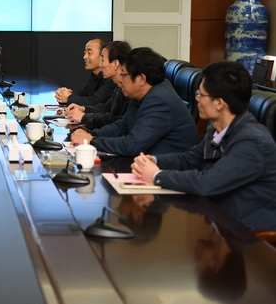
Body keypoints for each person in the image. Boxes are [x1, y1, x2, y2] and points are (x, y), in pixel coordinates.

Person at [131, 60, 276, 231]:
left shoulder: (251, 141)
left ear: (219, 103)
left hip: (250, 235)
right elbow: (191, 158)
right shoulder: (219, 128)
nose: (196, 98)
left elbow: (208, 182)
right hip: (220, 218)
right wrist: (153, 161)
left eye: (201, 94)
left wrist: (157, 176)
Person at [70, 47, 199, 156]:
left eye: (123, 75)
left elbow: (133, 145)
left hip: (168, 168)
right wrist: (91, 134)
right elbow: (122, 126)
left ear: (141, 79)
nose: (120, 80)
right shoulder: (141, 92)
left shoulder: (160, 101)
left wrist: (91, 141)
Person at [65, 41, 131, 129]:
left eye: (103, 60)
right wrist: (83, 108)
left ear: (115, 64)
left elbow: (118, 120)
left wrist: (84, 117)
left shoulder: (128, 88)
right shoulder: (118, 86)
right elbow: (105, 108)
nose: (100, 64)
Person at [55, 38, 116, 106]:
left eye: (89, 53)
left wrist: (68, 97)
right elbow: (84, 93)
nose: (85, 57)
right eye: (85, 53)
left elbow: (96, 102)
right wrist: (63, 95)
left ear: (102, 55)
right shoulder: (94, 75)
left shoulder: (111, 78)